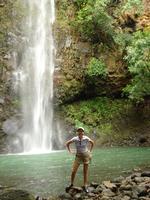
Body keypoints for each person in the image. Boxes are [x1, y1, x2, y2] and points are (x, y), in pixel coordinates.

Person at [65, 127, 94, 193]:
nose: (80, 132)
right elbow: (67, 143)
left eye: (81, 131)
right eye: (79, 131)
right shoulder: (75, 139)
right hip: (78, 156)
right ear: (77, 132)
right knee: (73, 171)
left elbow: (92, 142)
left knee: (85, 171)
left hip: (86, 155)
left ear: (83, 132)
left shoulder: (86, 138)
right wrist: (70, 151)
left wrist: (90, 151)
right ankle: (71, 184)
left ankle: (85, 185)